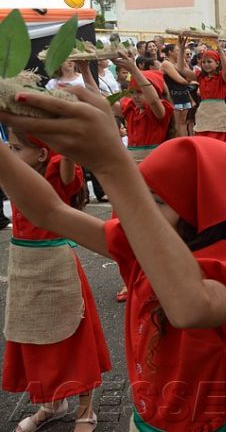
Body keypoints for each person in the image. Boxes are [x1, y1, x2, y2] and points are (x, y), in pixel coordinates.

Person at [0, 84, 226, 430]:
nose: (139, 211)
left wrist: (112, 164)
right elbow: (49, 211)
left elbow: (189, 306)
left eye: (156, 201)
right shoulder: (141, 247)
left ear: (203, 211)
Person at [0, 130, 111, 432]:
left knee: (74, 339)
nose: (11, 152)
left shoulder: (58, 171)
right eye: (10, 147)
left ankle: (86, 411)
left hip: (56, 266)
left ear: (42, 154)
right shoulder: (15, 173)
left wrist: (64, 136)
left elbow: (67, 168)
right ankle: (51, 405)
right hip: (24, 265)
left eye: (17, 148)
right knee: (34, 338)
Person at [178, 46, 226, 143]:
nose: (206, 64)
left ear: (217, 63)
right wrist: (181, 49)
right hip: (204, 114)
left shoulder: (221, 77)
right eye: (203, 62)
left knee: (218, 143)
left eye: (209, 61)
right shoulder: (200, 76)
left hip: (220, 114)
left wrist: (220, 51)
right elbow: (181, 69)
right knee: (204, 142)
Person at [162, 42, 195, 137]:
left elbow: (189, 77)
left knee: (184, 123)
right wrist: (187, 80)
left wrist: (183, 61)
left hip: (183, 95)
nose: (180, 52)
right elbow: (181, 80)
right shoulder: (166, 63)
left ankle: (184, 141)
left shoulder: (179, 63)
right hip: (173, 96)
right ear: (170, 52)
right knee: (176, 124)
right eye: (177, 50)